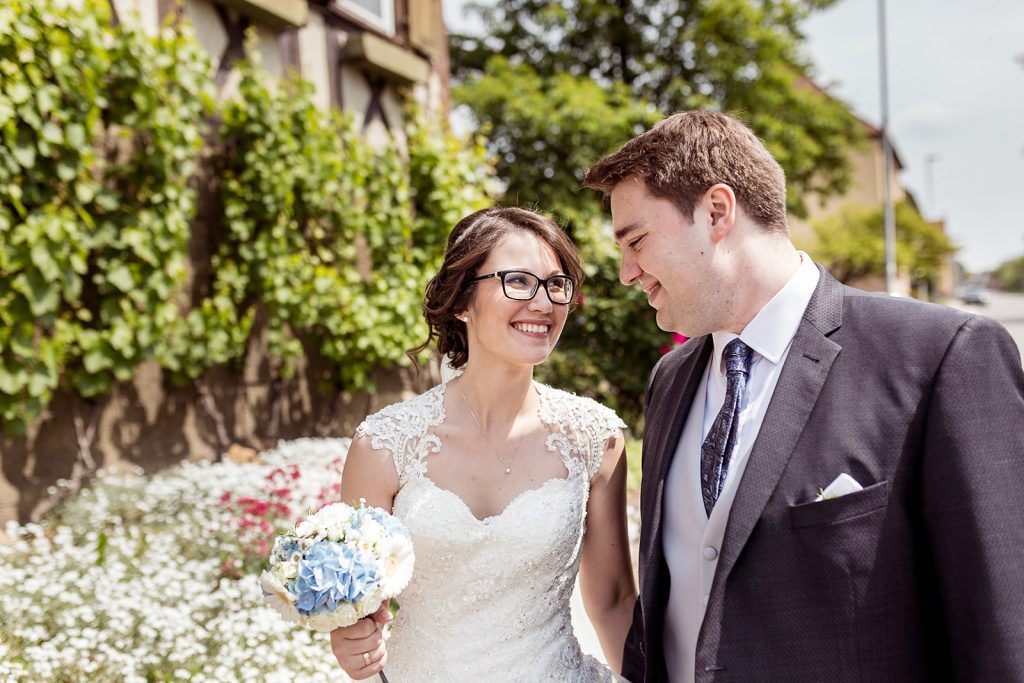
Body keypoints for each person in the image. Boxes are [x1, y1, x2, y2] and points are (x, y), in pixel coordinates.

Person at [582, 110, 1024, 682]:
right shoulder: (671, 379)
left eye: (636, 240)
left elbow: (1002, 635)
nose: (625, 272)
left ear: (717, 212)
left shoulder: (942, 357)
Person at [330, 207, 637, 682]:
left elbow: (615, 599)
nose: (543, 303)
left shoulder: (596, 439)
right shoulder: (384, 446)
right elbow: (356, 609)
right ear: (461, 300)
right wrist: (348, 639)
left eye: (556, 285)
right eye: (518, 280)